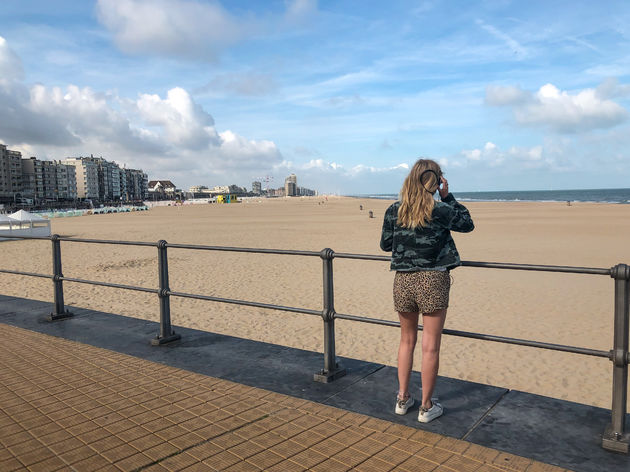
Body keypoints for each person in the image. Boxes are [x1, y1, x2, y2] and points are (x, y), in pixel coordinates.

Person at [380, 159, 474, 423]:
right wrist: (448, 197)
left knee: (406, 341)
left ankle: (402, 399)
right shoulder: (440, 209)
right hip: (433, 280)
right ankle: (426, 406)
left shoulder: (394, 210)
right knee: (430, 346)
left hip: (403, 280)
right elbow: (467, 224)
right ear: (435, 182)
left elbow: (386, 244)